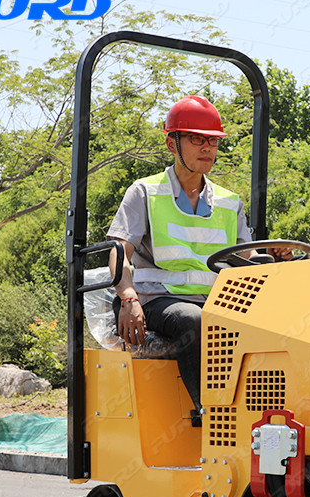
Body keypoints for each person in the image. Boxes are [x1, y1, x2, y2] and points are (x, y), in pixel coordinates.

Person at [107, 95, 287, 426]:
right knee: (193, 319)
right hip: (156, 303)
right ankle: (210, 414)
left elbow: (248, 258)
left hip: (214, 304)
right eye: (195, 139)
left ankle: (273, 419)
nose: (206, 148)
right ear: (171, 144)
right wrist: (128, 298)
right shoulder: (145, 192)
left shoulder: (229, 203)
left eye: (212, 141)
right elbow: (120, 251)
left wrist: (272, 257)